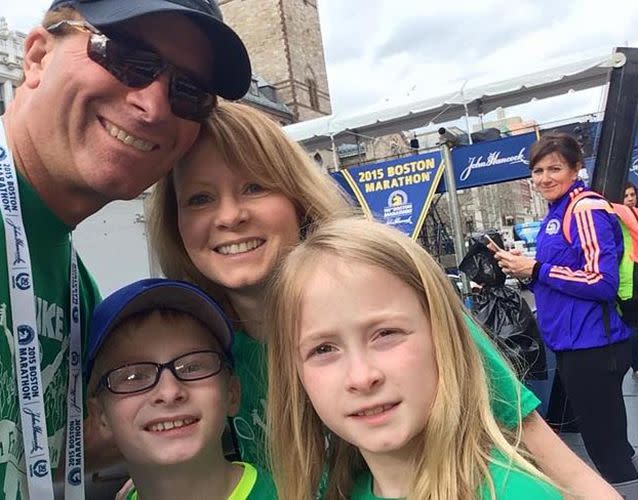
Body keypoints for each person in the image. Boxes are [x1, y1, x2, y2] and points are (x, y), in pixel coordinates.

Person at [148, 102, 620, 498]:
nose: (230, 215)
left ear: (295, 195)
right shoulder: (200, 355)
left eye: (254, 186)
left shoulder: (400, 307)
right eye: (199, 199)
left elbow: (548, 455)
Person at [0, 0, 250, 497]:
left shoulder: (76, 289)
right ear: (37, 56)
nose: (153, 105)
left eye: (189, 92)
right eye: (125, 58)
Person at [265, 216, 560, 499]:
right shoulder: (335, 491)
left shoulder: (517, 493)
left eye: (386, 334)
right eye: (323, 349)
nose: (362, 377)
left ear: (443, 338)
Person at [490, 133, 638, 486]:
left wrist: (537, 269)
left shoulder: (585, 208)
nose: (544, 178)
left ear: (576, 169)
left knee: (606, 448)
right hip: (571, 343)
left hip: (593, 345)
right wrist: (522, 269)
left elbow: (601, 281)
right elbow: (558, 278)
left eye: (554, 168)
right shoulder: (556, 213)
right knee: (603, 441)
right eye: (537, 170)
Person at [86, 278, 276, 500]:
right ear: (100, 416)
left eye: (193, 367)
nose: (169, 392)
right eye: (133, 376)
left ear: (233, 393)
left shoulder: (294, 493)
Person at [623, 183, 638, 380]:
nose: (630, 198)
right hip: (627, 280)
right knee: (634, 326)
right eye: (626, 195)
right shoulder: (614, 218)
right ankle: (636, 365)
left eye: (632, 194)